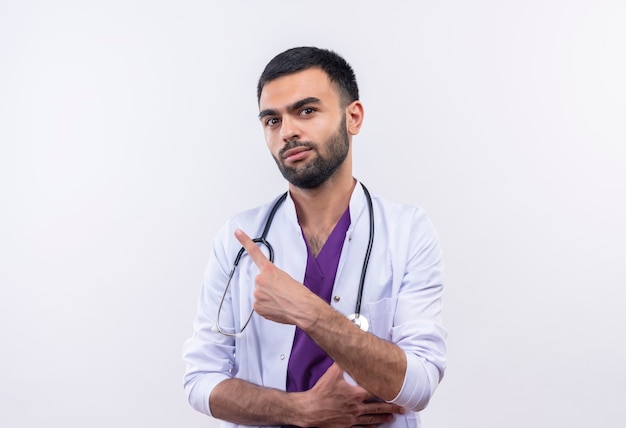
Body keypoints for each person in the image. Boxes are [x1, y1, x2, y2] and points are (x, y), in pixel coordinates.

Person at [183, 46, 446, 428]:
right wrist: (301, 410)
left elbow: (419, 386)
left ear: (352, 117)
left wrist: (306, 309)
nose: (288, 131)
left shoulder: (408, 231)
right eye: (272, 120)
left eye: (307, 111)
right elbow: (200, 381)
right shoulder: (240, 239)